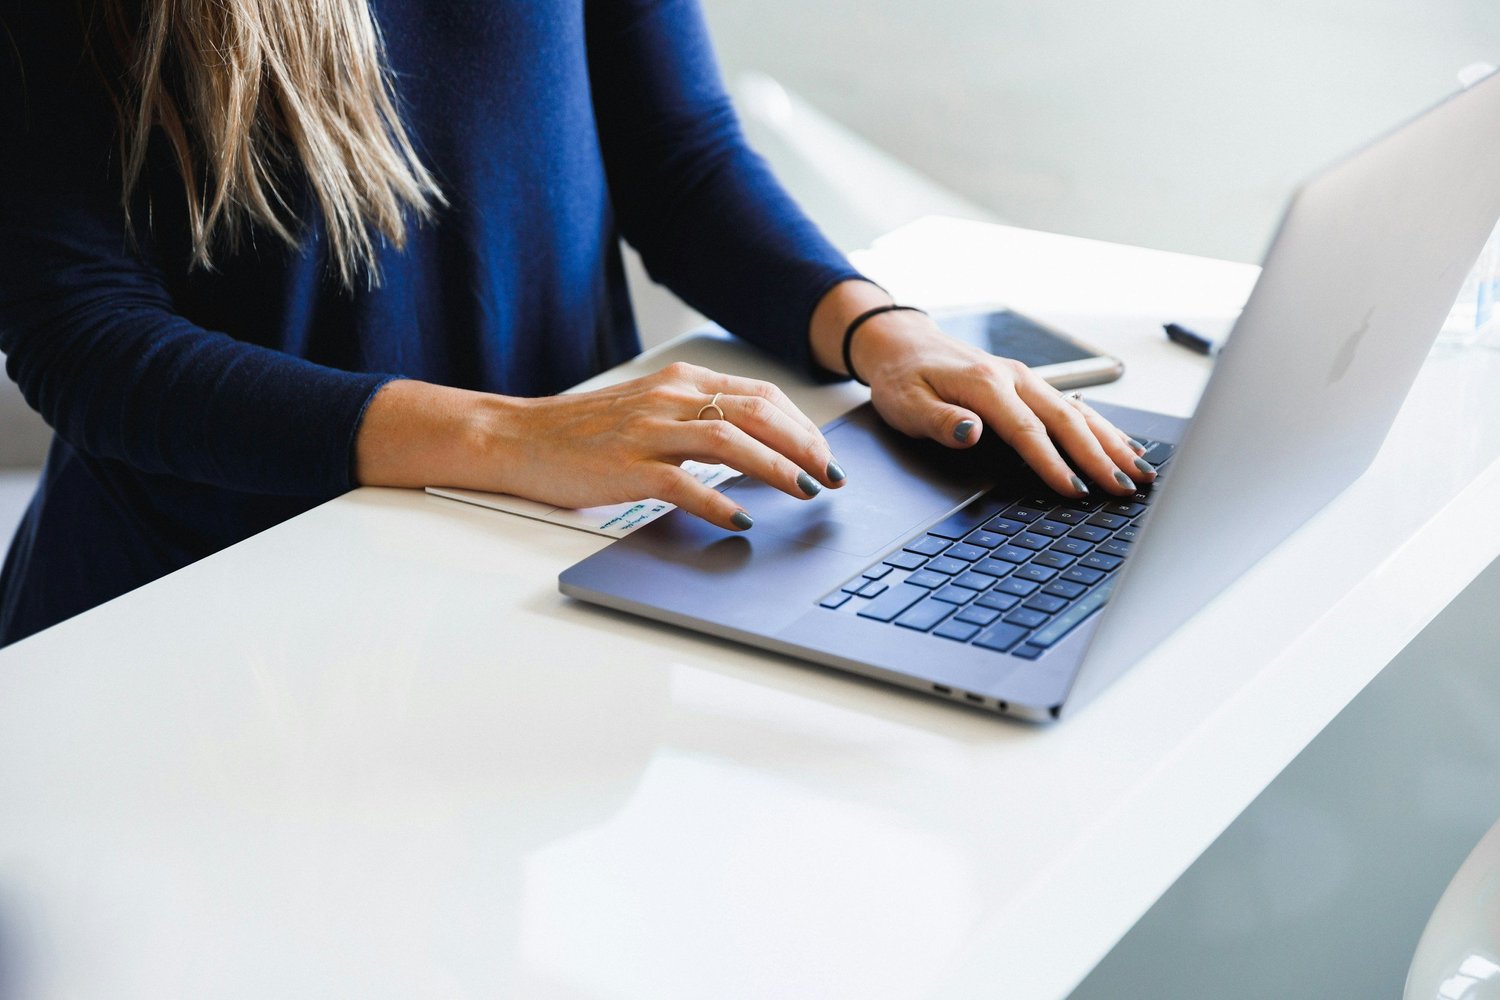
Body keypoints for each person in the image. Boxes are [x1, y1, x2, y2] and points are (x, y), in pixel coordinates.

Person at [0, 0, 1154, 648]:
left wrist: (881, 331)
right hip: (218, 609)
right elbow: (80, 335)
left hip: (546, 554)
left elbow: (677, 154)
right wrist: (513, 437)